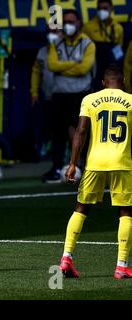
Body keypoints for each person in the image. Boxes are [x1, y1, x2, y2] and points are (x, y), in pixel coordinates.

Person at [59, 64, 132, 279]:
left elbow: (81, 131)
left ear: (102, 82)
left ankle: (66, 258)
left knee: (81, 208)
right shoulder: (130, 100)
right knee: (126, 212)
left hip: (94, 163)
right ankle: (121, 265)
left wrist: (72, 163)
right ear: (123, 81)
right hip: (122, 162)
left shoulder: (90, 99)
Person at [43, 9, 96, 183]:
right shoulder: (56, 43)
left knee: (83, 133)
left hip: (81, 95)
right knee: (57, 134)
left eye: (72, 21)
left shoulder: (88, 44)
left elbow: (84, 69)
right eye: (65, 22)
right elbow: (52, 65)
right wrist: (75, 64)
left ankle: (87, 168)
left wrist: (63, 66)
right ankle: (56, 168)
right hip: (60, 94)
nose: (68, 25)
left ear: (79, 23)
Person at [30, 27, 62, 161]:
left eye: (55, 31)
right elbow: (36, 72)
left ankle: (68, 153)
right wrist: (34, 92)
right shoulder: (42, 52)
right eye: (49, 32)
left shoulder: (67, 50)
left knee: (65, 126)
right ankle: (46, 148)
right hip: (48, 95)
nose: (52, 35)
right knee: (48, 124)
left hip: (66, 94)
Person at [82, 0, 124, 91]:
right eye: (99, 8)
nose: (102, 11)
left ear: (111, 9)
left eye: (105, 8)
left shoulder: (118, 28)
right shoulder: (87, 27)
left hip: (112, 66)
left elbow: (119, 50)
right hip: (96, 66)